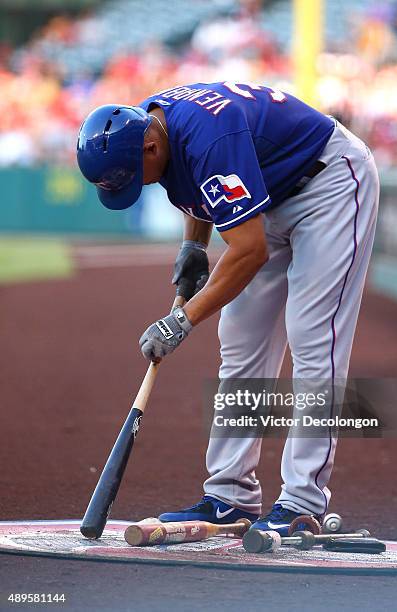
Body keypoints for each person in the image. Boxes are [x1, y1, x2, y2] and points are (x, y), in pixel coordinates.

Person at [77, 81, 379, 536]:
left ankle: (302, 501)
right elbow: (195, 176)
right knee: (241, 343)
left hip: (329, 182)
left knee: (315, 340)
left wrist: (182, 319)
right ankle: (230, 496)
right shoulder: (148, 124)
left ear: (150, 146)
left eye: (137, 175)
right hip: (270, 194)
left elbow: (249, 250)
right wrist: (193, 244)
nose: (139, 184)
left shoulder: (202, 135)